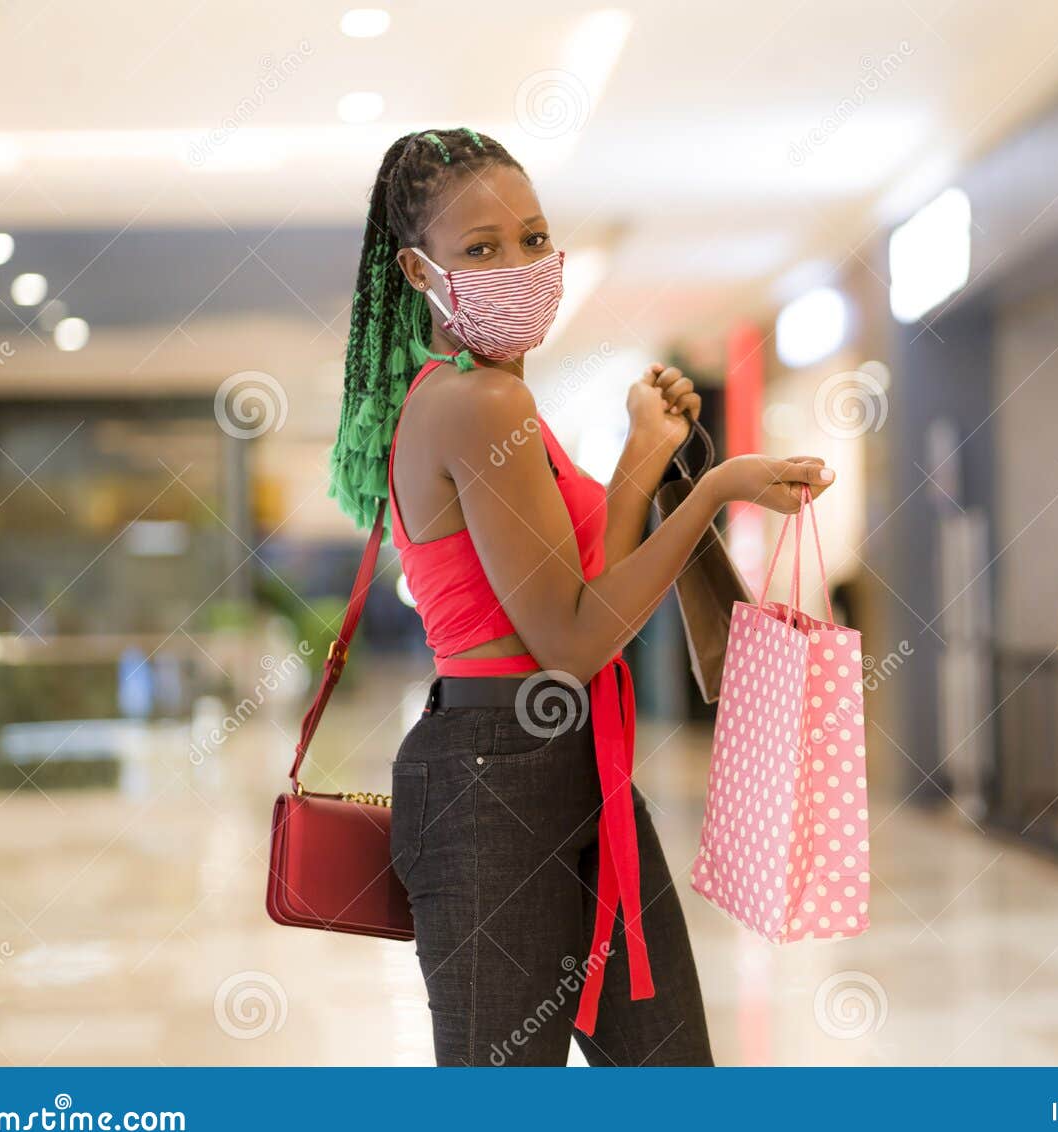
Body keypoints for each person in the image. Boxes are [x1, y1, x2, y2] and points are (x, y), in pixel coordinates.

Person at [326, 127, 834, 1066]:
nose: (519, 264)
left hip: (566, 768)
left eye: (532, 237)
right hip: (497, 776)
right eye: (480, 249)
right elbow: (569, 637)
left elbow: (578, 584)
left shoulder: (491, 398)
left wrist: (645, 453)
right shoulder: (479, 404)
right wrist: (717, 490)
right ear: (417, 269)